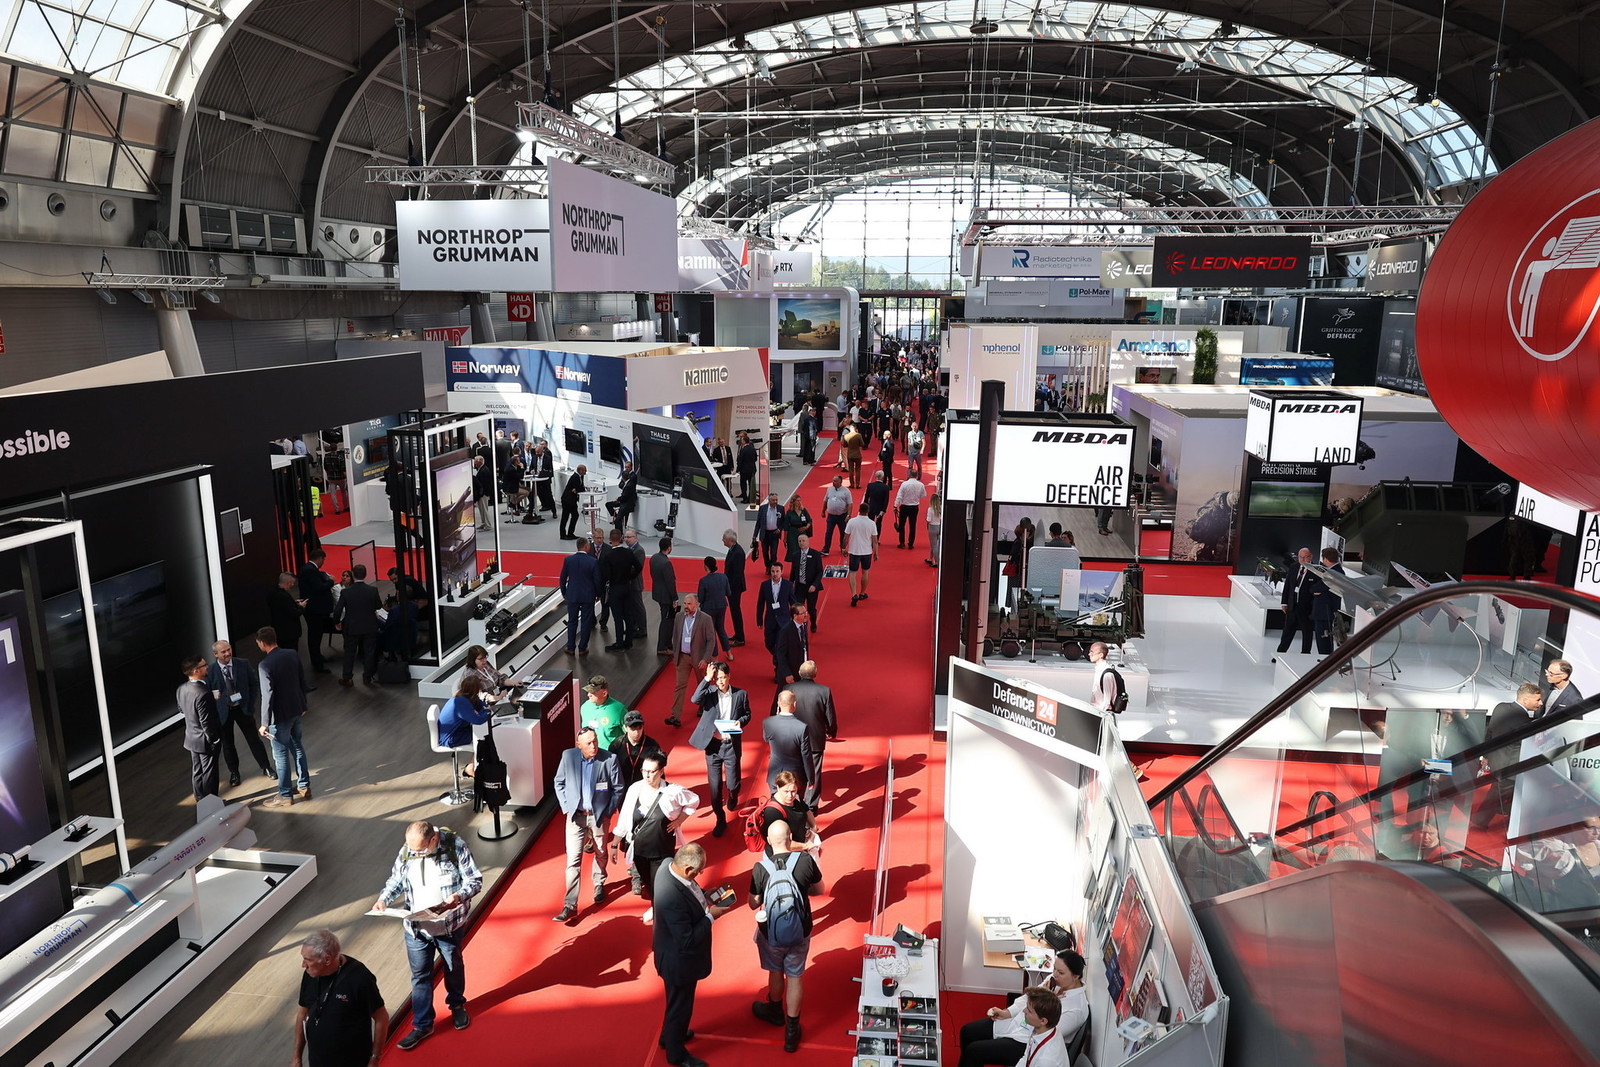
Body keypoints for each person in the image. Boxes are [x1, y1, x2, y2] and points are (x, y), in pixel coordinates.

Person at [374, 821, 482, 1050]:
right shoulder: (409, 849)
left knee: (453, 967)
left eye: (421, 850)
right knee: (420, 976)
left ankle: (457, 1006)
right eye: (412, 849)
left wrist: (458, 896)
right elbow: (396, 880)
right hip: (416, 927)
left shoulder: (456, 846)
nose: (416, 853)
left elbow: (474, 881)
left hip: (448, 926)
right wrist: (384, 898)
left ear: (433, 839)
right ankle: (423, 1025)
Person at [653, 843, 735, 1067]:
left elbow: (690, 892)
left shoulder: (667, 866)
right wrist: (711, 916)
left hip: (670, 955)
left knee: (675, 1003)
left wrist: (706, 896)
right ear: (687, 869)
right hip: (679, 962)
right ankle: (676, 1055)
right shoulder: (672, 898)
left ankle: (668, 1037)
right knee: (681, 1008)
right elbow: (686, 939)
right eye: (698, 871)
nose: (700, 874)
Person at [748, 819, 824, 1052]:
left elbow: (753, 903)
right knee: (795, 975)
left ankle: (774, 1010)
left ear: (769, 842)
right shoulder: (805, 861)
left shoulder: (760, 868)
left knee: (775, 970)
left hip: (771, 932)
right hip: (800, 928)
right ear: (790, 838)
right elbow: (819, 889)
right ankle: (792, 1030)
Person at [957, 951, 1088, 1067]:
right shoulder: (1055, 981)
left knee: (974, 1051)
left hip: (1025, 1040)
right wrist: (1008, 1012)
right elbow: (1028, 998)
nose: (1054, 974)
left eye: (1061, 972)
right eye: (1054, 969)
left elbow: (1046, 1029)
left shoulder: (1077, 1009)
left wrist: (1043, 999)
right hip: (1020, 1022)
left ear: (1075, 976)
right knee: (967, 1031)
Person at [613, 749, 699, 922]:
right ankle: (657, 907)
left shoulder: (672, 792)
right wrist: (615, 844)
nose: (647, 775)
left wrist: (680, 820)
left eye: (651, 771)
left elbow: (694, 800)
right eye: (644, 770)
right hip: (639, 849)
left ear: (661, 771)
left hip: (662, 850)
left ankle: (663, 914)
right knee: (649, 883)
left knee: (661, 885)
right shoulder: (635, 789)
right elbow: (625, 817)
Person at [552, 726, 625, 922]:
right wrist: (566, 806)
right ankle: (570, 904)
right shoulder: (568, 757)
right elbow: (559, 782)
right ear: (579, 745)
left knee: (600, 851)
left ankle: (599, 882)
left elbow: (618, 788)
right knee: (573, 860)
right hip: (575, 816)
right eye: (589, 743)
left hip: (598, 816)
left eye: (595, 741)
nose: (594, 746)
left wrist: (607, 812)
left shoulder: (609, 759)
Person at [293, 928, 386, 1067]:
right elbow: (302, 1013)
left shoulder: (360, 978)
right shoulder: (310, 973)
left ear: (327, 959)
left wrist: (374, 1058)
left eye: (308, 960)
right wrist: (297, 1058)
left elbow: (381, 1018)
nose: (303, 965)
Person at [689, 660, 751, 836]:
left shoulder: (741, 694)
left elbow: (747, 714)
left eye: (723, 678)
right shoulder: (709, 693)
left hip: (731, 745)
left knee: (733, 783)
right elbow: (694, 699)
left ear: (729, 676)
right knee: (715, 788)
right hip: (713, 746)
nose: (721, 682)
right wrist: (706, 678)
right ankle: (720, 819)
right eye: (717, 679)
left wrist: (741, 722)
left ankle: (733, 794)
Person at [256, 626, 311, 807]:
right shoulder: (291, 654)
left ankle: (285, 795)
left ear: (262, 643)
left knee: (280, 755)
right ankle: (304, 785)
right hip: (296, 710)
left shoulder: (265, 665)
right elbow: (301, 680)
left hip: (279, 717)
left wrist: (264, 723)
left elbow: (267, 694)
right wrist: (303, 704)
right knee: (297, 746)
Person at [207, 639, 273, 786]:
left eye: (228, 650)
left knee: (254, 740)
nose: (227, 653)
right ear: (216, 654)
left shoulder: (243, 663)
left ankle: (266, 767)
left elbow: (253, 684)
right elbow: (208, 693)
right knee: (228, 745)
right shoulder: (210, 671)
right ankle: (234, 773)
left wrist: (250, 704)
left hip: (243, 709)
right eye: (223, 652)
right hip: (223, 713)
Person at [1477, 682, 1543, 827]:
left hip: (1496, 761)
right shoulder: (1524, 721)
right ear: (1526, 700)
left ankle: (1489, 820)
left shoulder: (1500, 707)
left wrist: (1486, 755)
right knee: (1499, 794)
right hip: (1511, 766)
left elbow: (1490, 732)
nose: (1540, 703)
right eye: (1538, 700)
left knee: (1500, 793)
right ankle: (1481, 821)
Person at [784, 661, 837, 808]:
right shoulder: (824, 691)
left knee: (793, 769)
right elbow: (830, 716)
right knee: (814, 772)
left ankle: (793, 800)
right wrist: (832, 731)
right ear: (815, 674)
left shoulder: (788, 688)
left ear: (799, 673)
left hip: (792, 737)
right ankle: (811, 806)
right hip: (815, 739)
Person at [665, 593, 719, 728]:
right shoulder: (679, 617)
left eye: (689, 604)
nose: (686, 606)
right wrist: (676, 654)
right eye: (685, 603)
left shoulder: (705, 619)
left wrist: (705, 658)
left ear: (697, 604)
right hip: (683, 657)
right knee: (680, 686)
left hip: (699, 659)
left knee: (702, 685)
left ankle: (703, 707)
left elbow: (711, 640)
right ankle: (675, 716)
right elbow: (676, 636)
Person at [177, 654, 222, 800]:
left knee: (197, 771)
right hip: (205, 740)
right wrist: (214, 739)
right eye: (204, 665)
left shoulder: (182, 689)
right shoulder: (203, 693)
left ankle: (200, 799)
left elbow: (182, 709)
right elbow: (206, 721)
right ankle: (211, 803)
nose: (207, 667)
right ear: (196, 670)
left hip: (191, 737)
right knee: (209, 772)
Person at [333, 564, 383, 687]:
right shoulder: (372, 590)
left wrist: (337, 622)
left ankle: (347, 678)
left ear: (353, 575)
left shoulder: (346, 592)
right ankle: (367, 677)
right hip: (369, 626)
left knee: (349, 652)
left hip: (352, 627)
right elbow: (378, 605)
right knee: (369, 652)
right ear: (365, 574)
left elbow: (338, 610)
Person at [756, 770, 820, 853]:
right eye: (786, 791)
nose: (790, 795)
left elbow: (806, 809)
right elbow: (781, 843)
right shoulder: (772, 812)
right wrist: (806, 846)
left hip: (800, 848)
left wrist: (813, 826)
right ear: (778, 788)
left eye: (793, 791)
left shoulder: (796, 798)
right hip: (784, 855)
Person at [602, 528, 644, 653]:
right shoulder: (628, 553)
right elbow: (638, 567)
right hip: (627, 587)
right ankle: (628, 641)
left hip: (615, 588)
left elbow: (606, 575)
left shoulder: (608, 555)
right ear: (621, 538)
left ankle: (619, 643)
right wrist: (630, 577)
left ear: (610, 539)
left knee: (618, 617)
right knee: (628, 615)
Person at [763, 689, 814, 792]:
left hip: (775, 775)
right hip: (796, 776)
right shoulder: (802, 727)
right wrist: (811, 778)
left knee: (775, 800)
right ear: (794, 704)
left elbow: (766, 739)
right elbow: (806, 755)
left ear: (778, 703)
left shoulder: (767, 722)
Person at [559, 537, 601, 656]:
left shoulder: (568, 560)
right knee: (586, 622)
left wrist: (564, 592)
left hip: (572, 595)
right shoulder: (593, 561)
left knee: (572, 621)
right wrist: (598, 594)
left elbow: (563, 578)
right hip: (588, 596)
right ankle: (582, 648)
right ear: (586, 547)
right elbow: (597, 580)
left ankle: (570, 647)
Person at [1276, 547, 1322, 656]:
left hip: (1307, 608)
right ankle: (1280, 653)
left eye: (1305, 557)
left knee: (1307, 633)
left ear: (1311, 557)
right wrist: (1284, 602)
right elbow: (1288, 586)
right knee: (1287, 631)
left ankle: (1305, 654)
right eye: (1300, 557)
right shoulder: (1294, 567)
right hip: (1292, 606)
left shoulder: (1316, 571)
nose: (1303, 559)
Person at [298, 550, 336, 675]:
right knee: (315, 636)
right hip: (314, 610)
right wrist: (331, 581)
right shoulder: (310, 570)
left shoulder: (308, 569)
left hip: (315, 609)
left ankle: (318, 656)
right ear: (319, 558)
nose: (323, 562)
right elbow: (319, 587)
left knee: (316, 634)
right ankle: (317, 662)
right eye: (323, 559)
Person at [697, 555, 734, 658]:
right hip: (722, 606)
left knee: (711, 633)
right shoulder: (723, 577)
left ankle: (715, 656)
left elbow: (700, 598)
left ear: (705, 566)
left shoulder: (703, 581)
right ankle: (729, 653)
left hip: (708, 609)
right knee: (721, 629)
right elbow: (728, 592)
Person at [266, 571, 307, 666]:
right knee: (291, 656)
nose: (293, 585)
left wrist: (293, 603)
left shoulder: (272, 593)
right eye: (292, 583)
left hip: (278, 630)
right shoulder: (284, 596)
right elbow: (295, 613)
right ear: (288, 583)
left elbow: (282, 607)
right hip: (289, 632)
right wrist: (302, 607)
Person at [755, 562, 796, 654]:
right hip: (770, 619)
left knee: (781, 644)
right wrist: (759, 620)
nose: (775, 574)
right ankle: (777, 656)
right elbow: (760, 603)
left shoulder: (788, 585)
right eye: (773, 571)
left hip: (784, 620)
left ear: (781, 572)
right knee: (769, 643)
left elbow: (793, 602)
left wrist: (795, 618)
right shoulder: (765, 585)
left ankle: (778, 659)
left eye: (777, 571)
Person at [845, 502, 880, 607]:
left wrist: (843, 548)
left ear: (859, 510)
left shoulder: (852, 521)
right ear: (868, 511)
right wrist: (876, 553)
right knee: (865, 572)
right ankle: (862, 593)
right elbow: (875, 540)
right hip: (866, 551)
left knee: (853, 573)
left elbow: (846, 537)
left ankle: (854, 594)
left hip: (854, 551)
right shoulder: (872, 523)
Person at [580, 675, 628, 751]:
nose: (588, 695)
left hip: (611, 754)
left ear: (604, 693)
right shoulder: (585, 707)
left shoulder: (619, 709)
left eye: (593, 692)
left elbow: (628, 733)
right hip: (590, 753)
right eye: (588, 691)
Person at [1312, 546, 1344, 655]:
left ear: (1325, 559)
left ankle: (1325, 660)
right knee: (1324, 639)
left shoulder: (1334, 573)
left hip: (1325, 611)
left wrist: (1316, 590)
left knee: (1323, 640)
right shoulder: (1335, 570)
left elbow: (1316, 588)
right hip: (1325, 611)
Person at [718, 529, 747, 648]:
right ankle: (738, 634)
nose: (722, 540)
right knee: (734, 611)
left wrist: (729, 589)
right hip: (732, 586)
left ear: (730, 540)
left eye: (724, 539)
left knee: (736, 611)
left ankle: (740, 638)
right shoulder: (733, 550)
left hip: (735, 588)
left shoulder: (738, 553)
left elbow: (737, 574)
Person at [789, 533, 824, 634]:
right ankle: (800, 627)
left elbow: (820, 572)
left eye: (803, 541)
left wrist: (814, 585)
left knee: (811, 609)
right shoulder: (795, 555)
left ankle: (813, 623)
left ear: (808, 542)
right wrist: (790, 584)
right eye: (799, 541)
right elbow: (793, 571)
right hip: (800, 587)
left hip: (811, 587)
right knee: (798, 608)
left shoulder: (815, 554)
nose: (801, 543)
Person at [651, 537, 680, 655]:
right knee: (666, 621)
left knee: (667, 619)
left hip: (658, 593)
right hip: (666, 596)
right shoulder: (666, 563)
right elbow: (670, 582)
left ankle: (667, 643)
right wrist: (675, 598)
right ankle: (662, 647)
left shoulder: (654, 558)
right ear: (669, 548)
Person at [773, 605, 811, 686]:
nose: (806, 615)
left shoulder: (803, 626)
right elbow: (780, 654)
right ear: (795, 616)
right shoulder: (786, 631)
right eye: (803, 613)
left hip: (801, 671)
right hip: (790, 673)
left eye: (806, 612)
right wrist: (787, 674)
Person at [1088, 641, 1124, 714]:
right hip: (1095, 710)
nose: (1089, 654)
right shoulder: (1099, 670)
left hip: (1102, 713)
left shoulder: (1107, 674)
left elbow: (1107, 702)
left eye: (1092, 652)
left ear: (1101, 655)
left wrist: (1101, 714)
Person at [820, 474, 852, 555]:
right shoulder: (829, 489)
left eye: (835, 481)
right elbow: (825, 500)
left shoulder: (846, 491)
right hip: (831, 515)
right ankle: (826, 549)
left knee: (843, 533)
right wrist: (823, 511)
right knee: (828, 532)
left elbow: (850, 504)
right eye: (833, 480)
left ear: (840, 482)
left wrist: (848, 515)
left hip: (842, 515)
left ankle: (843, 548)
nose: (833, 482)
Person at [893, 473, 927, 550]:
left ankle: (902, 543)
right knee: (912, 525)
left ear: (909, 475)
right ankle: (911, 544)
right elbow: (924, 495)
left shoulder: (904, 484)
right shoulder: (921, 485)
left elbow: (899, 496)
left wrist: (895, 505)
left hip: (904, 506)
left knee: (902, 525)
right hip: (914, 507)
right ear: (916, 476)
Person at [753, 492, 785, 567]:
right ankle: (767, 566)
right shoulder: (762, 508)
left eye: (776, 500)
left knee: (773, 553)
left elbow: (784, 521)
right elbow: (758, 522)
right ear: (769, 500)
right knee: (765, 552)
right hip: (765, 534)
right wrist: (755, 535)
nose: (775, 502)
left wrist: (779, 529)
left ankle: (773, 567)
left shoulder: (781, 508)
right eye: (773, 500)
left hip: (775, 534)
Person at [528, 440, 556, 520]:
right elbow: (531, 467)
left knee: (549, 496)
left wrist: (547, 476)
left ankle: (554, 512)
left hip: (545, 480)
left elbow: (550, 469)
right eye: (536, 452)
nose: (537, 454)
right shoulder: (534, 457)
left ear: (542, 451)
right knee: (533, 495)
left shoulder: (547, 458)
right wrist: (531, 470)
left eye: (538, 452)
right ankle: (530, 512)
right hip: (536, 480)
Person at [781, 495, 813, 561]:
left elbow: (809, 520)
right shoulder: (789, 512)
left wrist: (806, 527)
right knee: (793, 550)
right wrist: (785, 538)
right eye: (797, 501)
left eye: (800, 500)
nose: (799, 502)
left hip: (802, 532)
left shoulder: (803, 510)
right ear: (793, 502)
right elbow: (786, 526)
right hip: (792, 533)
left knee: (803, 548)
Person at [560, 464, 587, 540]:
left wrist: (578, 489)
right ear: (580, 470)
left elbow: (580, 488)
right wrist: (578, 489)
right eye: (584, 470)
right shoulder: (575, 477)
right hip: (567, 500)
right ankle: (563, 535)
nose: (586, 472)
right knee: (565, 517)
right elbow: (580, 488)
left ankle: (570, 533)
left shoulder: (581, 476)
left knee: (575, 515)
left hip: (573, 500)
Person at [608, 460, 638, 529]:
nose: (626, 469)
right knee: (608, 504)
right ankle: (618, 518)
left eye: (628, 467)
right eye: (625, 467)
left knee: (621, 514)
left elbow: (625, 490)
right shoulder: (625, 475)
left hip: (627, 501)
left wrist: (618, 499)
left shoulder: (633, 477)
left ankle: (620, 521)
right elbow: (620, 485)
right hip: (624, 499)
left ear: (631, 467)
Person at [470, 454, 495, 530]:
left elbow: (485, 484)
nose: (474, 463)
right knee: (481, 510)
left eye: (475, 462)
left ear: (480, 462)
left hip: (484, 494)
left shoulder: (484, 470)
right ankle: (484, 523)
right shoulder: (482, 469)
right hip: (482, 493)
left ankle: (487, 525)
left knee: (484, 510)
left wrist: (481, 494)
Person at [735, 432, 759, 505]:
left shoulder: (743, 449)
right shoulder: (752, 448)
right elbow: (755, 458)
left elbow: (740, 461)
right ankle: (750, 498)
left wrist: (737, 470)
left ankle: (745, 499)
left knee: (743, 484)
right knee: (751, 485)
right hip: (752, 469)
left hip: (744, 470)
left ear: (744, 441)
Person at [841, 422, 865, 488]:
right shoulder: (858, 435)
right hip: (857, 454)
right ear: (855, 428)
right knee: (858, 470)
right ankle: (857, 484)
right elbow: (862, 444)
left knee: (851, 470)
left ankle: (851, 484)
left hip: (850, 454)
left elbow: (844, 445)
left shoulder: (846, 436)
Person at [925, 492, 943, 568]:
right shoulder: (940, 509)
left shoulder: (930, 509)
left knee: (934, 545)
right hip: (939, 526)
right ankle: (930, 558)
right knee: (936, 544)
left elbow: (928, 520)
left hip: (932, 527)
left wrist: (926, 519)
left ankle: (937, 561)